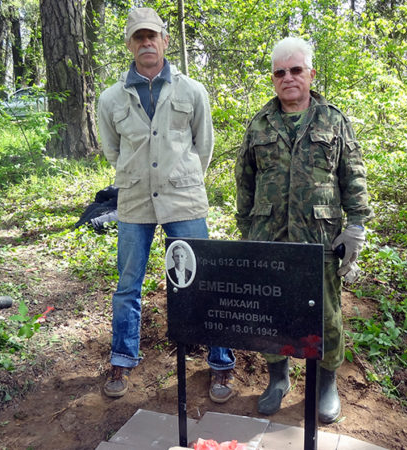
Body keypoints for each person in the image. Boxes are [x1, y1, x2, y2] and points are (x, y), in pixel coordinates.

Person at [97, 7, 236, 403]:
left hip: (185, 199)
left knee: (204, 279)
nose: (145, 43)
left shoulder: (192, 91)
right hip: (136, 201)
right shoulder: (110, 99)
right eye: (138, 38)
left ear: (164, 40)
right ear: (129, 44)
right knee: (128, 285)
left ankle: (221, 363)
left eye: (151, 36)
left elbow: (202, 147)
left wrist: (179, 177)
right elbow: (113, 150)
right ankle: (122, 358)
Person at [235, 37, 373, 423]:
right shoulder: (259, 124)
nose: (288, 78)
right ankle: (278, 378)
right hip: (268, 236)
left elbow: (353, 175)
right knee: (270, 310)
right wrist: (245, 232)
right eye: (280, 72)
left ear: (311, 74)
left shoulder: (333, 120)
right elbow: (244, 181)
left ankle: (325, 383)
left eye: (296, 70)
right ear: (273, 78)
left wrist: (357, 227)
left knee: (327, 315)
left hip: (320, 239)